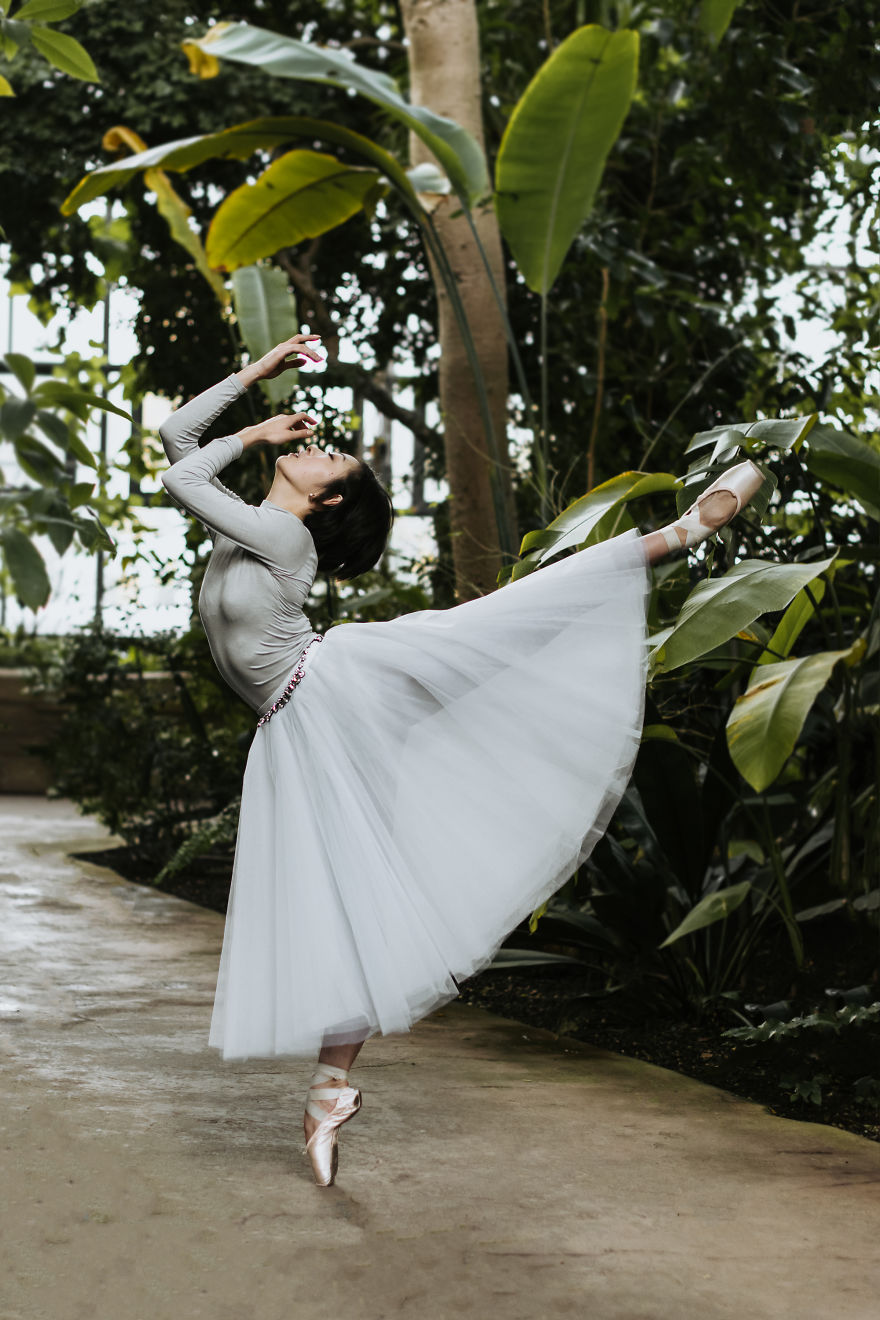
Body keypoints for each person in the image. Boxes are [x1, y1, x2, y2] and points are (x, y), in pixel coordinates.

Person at [160, 333, 763, 1186]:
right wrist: (257, 376)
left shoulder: (280, 540)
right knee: (352, 897)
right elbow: (176, 442)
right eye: (323, 449)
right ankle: (331, 1090)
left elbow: (177, 475)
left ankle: (675, 535)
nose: (315, 449)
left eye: (331, 460)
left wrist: (254, 436)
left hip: (329, 690)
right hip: (294, 726)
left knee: (496, 630)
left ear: (327, 504)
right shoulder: (254, 526)